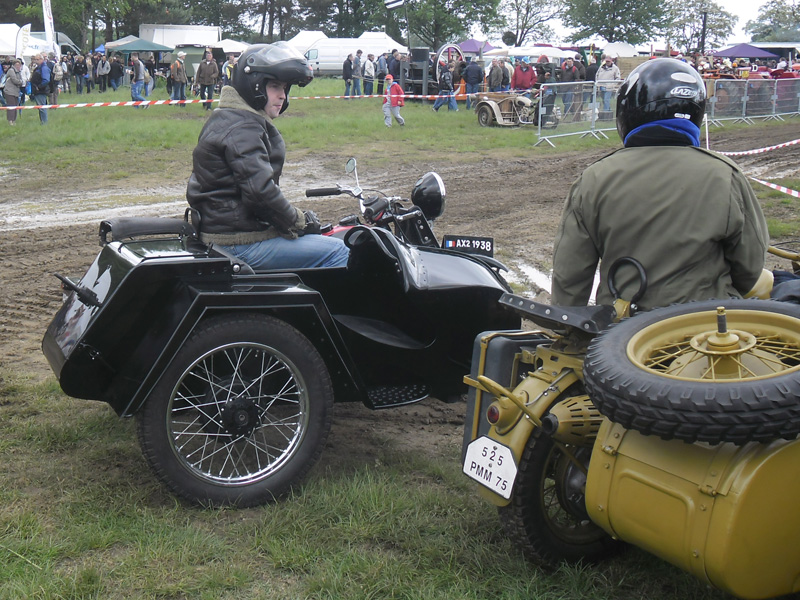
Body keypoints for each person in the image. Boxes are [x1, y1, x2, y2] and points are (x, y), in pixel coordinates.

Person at [551, 58, 768, 312]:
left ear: (629, 110)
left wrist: (570, 330)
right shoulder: (725, 174)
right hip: (708, 332)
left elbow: (570, 276)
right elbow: (750, 268)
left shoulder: (594, 178)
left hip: (624, 335)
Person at [186, 42, 349, 271]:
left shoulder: (228, 118)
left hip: (225, 231)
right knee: (340, 252)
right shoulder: (242, 127)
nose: (282, 95)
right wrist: (298, 220)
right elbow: (260, 192)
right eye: (275, 86)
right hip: (237, 242)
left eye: (285, 88)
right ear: (254, 86)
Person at [30, 54, 50, 124]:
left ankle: (44, 123)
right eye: (35, 59)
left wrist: (39, 87)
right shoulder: (38, 67)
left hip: (41, 91)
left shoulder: (44, 68)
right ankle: (43, 122)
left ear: (42, 59)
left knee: (42, 108)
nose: (36, 61)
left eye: (37, 59)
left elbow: (46, 80)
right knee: (40, 107)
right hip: (37, 91)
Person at [3, 58, 23, 126]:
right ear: (14, 65)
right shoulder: (11, 71)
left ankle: (14, 120)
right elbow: (15, 80)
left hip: (16, 92)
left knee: (15, 106)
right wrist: (20, 82)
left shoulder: (19, 72)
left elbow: (21, 80)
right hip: (9, 91)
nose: (18, 66)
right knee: (11, 106)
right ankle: (10, 120)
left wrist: (20, 82)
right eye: (17, 65)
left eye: (19, 65)